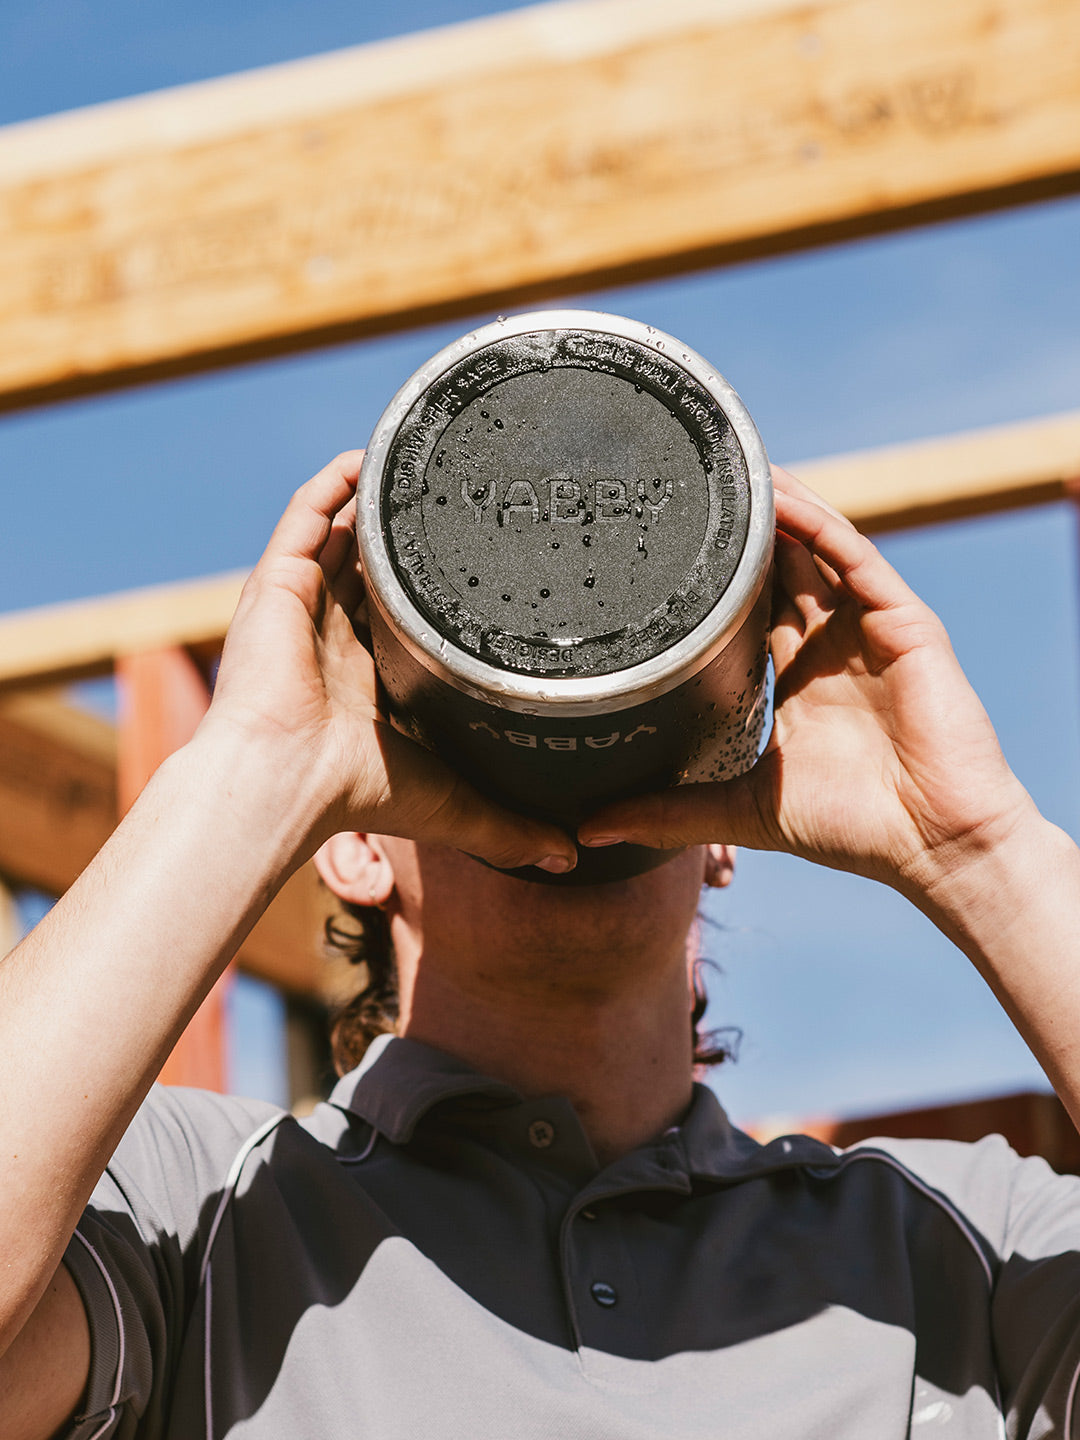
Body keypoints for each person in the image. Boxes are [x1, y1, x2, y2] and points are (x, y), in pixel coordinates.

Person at [1, 452, 1078, 1440]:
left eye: (638, 712)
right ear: (354, 846)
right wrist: (254, 770)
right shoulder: (194, 1211)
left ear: (722, 843)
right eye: (486, 714)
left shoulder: (966, 1248)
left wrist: (974, 847)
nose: (568, 750)